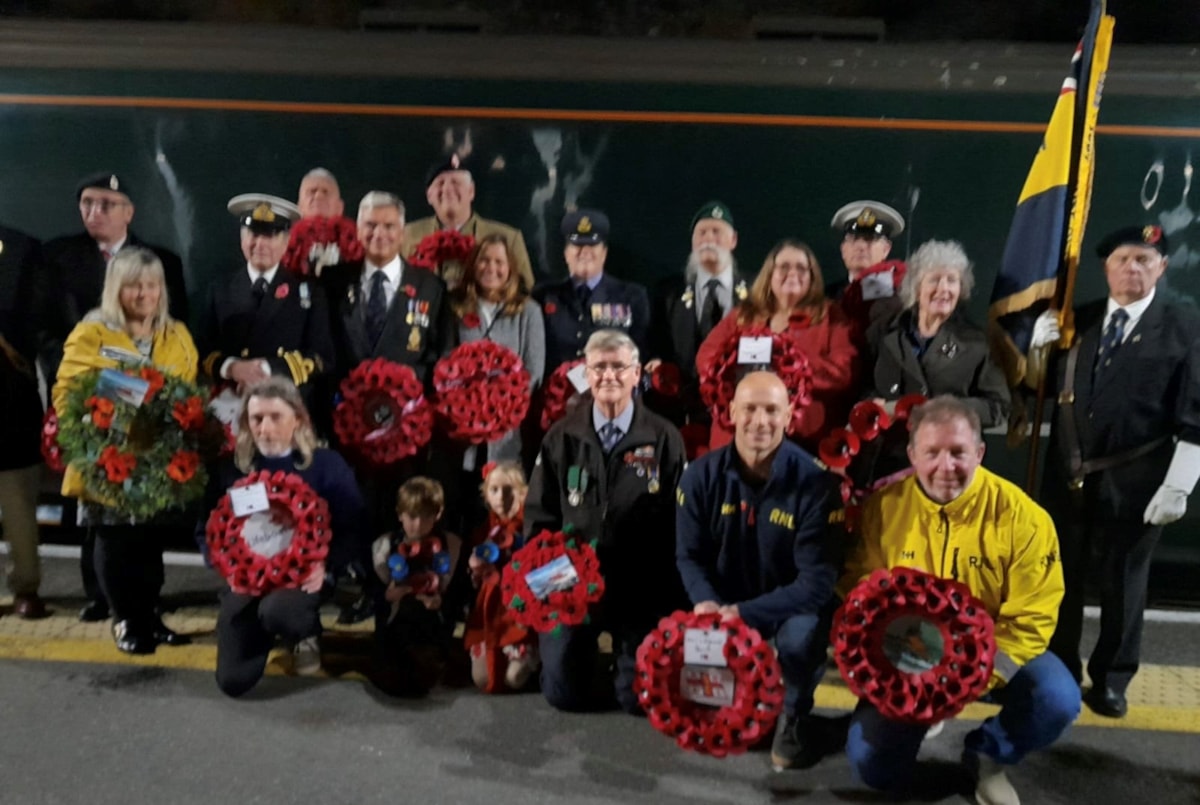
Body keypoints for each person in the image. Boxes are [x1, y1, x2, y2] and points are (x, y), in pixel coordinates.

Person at [843, 396, 1079, 805]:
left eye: (958, 452)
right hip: (910, 659)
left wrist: (964, 682)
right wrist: (909, 679)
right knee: (873, 769)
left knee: (1057, 698)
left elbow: (1031, 620)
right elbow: (860, 595)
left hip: (994, 656)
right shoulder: (882, 509)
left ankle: (988, 754)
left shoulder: (1025, 519)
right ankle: (906, 736)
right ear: (913, 454)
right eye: (932, 452)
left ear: (981, 453)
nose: (945, 466)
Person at [1031, 224, 1200, 719]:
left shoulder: (1184, 327)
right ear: (1106, 267)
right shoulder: (1074, 321)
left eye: (1144, 260)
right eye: (1123, 259)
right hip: (1069, 474)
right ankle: (1058, 667)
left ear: (1162, 269)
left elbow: (1196, 407)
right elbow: (1037, 394)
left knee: (1124, 583)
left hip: (1139, 478)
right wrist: (1038, 354)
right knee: (1059, 578)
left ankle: (1111, 679)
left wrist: (1179, 482)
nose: (1133, 268)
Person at [36, 172, 190, 622]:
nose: (94, 212)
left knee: (146, 530)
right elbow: (63, 356)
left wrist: (145, 396)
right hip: (98, 431)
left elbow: (179, 376)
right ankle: (105, 600)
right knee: (100, 525)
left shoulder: (165, 271)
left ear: (129, 211)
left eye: (106, 203)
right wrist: (124, 392)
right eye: (86, 202)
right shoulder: (62, 267)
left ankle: (145, 605)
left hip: (151, 442)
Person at [675, 371, 843, 770]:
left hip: (789, 606)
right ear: (731, 412)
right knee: (713, 723)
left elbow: (817, 585)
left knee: (802, 639)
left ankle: (794, 716)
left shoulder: (818, 485)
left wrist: (746, 614)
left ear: (789, 416)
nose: (760, 420)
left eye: (772, 410)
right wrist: (708, 604)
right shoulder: (699, 477)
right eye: (750, 408)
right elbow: (689, 557)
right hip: (723, 602)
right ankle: (722, 699)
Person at [525, 329, 687, 713]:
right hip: (574, 584)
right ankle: (581, 664)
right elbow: (538, 518)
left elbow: (680, 522)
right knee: (563, 694)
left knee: (637, 701)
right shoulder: (561, 438)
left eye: (619, 367)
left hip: (640, 586)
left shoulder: (665, 438)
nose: (609, 375)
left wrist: (669, 596)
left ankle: (627, 674)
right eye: (599, 367)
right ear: (586, 373)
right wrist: (551, 585)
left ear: (636, 375)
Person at [53, 248, 198, 654]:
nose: (144, 294)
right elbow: (68, 392)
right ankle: (124, 620)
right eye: (134, 285)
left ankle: (150, 614)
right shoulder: (93, 332)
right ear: (117, 288)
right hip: (108, 457)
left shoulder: (177, 334)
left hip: (157, 460)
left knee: (150, 542)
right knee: (115, 540)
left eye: (152, 285)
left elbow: (186, 390)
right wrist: (135, 390)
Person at [211, 377, 367, 697]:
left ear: (297, 419)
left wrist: (327, 566)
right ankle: (262, 632)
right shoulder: (234, 468)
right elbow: (206, 530)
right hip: (248, 580)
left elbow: (355, 527)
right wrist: (227, 570)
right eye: (256, 418)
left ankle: (303, 632)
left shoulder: (325, 465)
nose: (265, 427)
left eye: (275, 417)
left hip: (301, 578)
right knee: (233, 681)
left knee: (280, 611)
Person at [860, 239, 1010, 484]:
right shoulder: (883, 332)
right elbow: (863, 387)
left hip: (947, 469)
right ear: (916, 287)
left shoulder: (976, 343)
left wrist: (943, 410)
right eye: (934, 279)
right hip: (888, 464)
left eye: (952, 280)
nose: (944, 288)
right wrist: (872, 404)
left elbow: (998, 407)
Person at [695, 239, 859, 453]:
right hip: (737, 435)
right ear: (769, 274)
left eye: (801, 268)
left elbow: (846, 369)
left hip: (803, 439)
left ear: (813, 277)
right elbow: (705, 357)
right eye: (783, 267)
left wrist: (793, 368)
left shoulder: (831, 315)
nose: (792, 273)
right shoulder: (744, 315)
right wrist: (737, 373)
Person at [197, 193, 335, 402]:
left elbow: (322, 357)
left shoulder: (309, 292)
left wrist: (265, 369)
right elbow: (202, 349)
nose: (260, 244)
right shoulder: (220, 289)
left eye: (270, 235)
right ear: (242, 238)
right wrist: (232, 367)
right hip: (229, 404)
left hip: (286, 404)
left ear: (286, 240)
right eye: (253, 233)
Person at [327, 191, 452, 387]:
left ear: (402, 234)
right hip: (342, 404)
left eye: (389, 226)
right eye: (371, 225)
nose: (379, 234)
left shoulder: (431, 287)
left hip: (407, 408)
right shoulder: (332, 281)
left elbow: (443, 356)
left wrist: (407, 380)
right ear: (358, 231)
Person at [648, 201, 750, 426]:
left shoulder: (755, 292)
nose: (709, 239)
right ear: (692, 242)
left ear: (733, 240)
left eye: (717, 231)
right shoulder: (668, 293)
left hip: (740, 413)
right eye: (701, 232)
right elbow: (654, 345)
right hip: (680, 417)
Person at [449, 231, 546, 468]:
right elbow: (445, 363)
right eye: (484, 260)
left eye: (499, 262)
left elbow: (534, 372)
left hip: (509, 435)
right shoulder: (454, 307)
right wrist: (468, 406)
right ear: (473, 265)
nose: (491, 268)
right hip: (462, 434)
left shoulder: (529, 311)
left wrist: (499, 408)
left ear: (510, 268)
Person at [369, 476, 461, 697]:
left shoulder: (452, 544)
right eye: (411, 517)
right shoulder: (384, 545)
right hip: (397, 623)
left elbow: (458, 595)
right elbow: (375, 595)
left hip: (432, 624)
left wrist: (441, 601)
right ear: (400, 515)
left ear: (437, 515)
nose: (418, 525)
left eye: (426, 516)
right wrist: (390, 595)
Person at [0, 224, 49, 619]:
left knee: (17, 501)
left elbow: (38, 324)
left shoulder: (21, 247)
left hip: (9, 400)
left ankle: (25, 586)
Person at [535, 209, 651, 372]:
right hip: (555, 393)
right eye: (578, 245)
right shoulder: (543, 296)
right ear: (566, 253)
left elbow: (640, 353)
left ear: (604, 252)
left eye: (592, 244)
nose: (585, 251)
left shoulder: (631, 296)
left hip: (611, 393)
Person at [403, 154, 535, 292]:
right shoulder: (405, 236)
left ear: (471, 192)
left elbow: (524, 292)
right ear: (429, 196)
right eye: (440, 183)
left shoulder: (509, 238)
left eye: (456, 183)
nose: (448, 189)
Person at [463, 461, 538, 693]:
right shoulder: (485, 530)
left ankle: (535, 656)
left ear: (523, 493)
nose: (502, 498)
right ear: (486, 495)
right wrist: (475, 568)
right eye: (494, 490)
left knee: (514, 678)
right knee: (481, 679)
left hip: (520, 610)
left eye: (510, 490)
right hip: (489, 611)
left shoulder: (532, 526)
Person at [828, 200, 907, 334]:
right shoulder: (826, 297)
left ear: (886, 249)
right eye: (853, 239)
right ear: (843, 249)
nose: (861, 246)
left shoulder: (902, 297)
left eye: (870, 239)